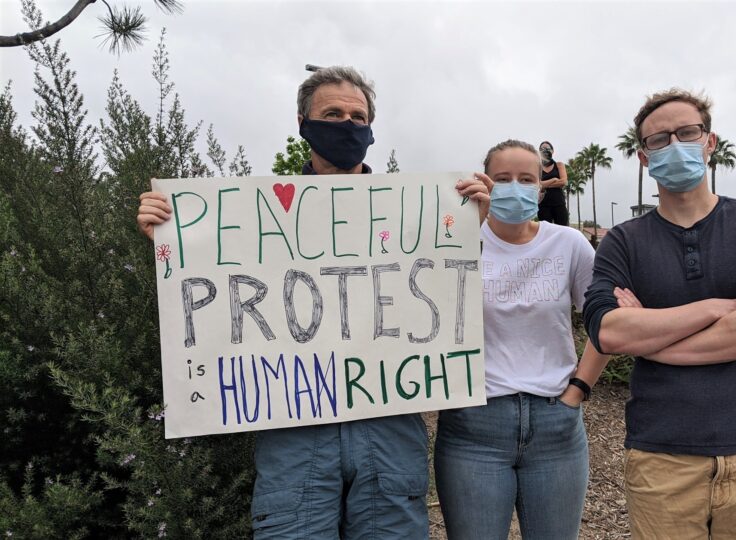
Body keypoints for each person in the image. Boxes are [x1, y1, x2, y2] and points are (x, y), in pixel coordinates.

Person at [135, 65, 491, 539]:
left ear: (370, 129)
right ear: (303, 123)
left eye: (357, 116)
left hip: (387, 429)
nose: (347, 124)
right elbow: (209, 291)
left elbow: (444, 296)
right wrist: (169, 232)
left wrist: (470, 226)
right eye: (332, 113)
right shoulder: (252, 214)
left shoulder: (419, 214)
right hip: (295, 436)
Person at [582, 89, 736, 539]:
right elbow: (606, 330)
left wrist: (653, 336)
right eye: (659, 139)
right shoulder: (623, 241)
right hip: (660, 460)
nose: (674, 145)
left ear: (710, 141)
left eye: (687, 132)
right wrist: (712, 307)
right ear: (644, 158)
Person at [434, 140, 609, 540]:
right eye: (502, 179)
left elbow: (606, 324)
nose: (515, 186)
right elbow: (432, 311)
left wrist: (579, 389)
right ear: (484, 183)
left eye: (526, 179)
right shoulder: (456, 241)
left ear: (542, 186)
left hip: (556, 424)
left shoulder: (569, 244)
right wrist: (468, 229)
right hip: (473, 425)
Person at [536, 141, 569, 225]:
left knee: (563, 229)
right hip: (543, 204)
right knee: (545, 230)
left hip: (559, 203)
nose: (545, 150)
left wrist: (544, 185)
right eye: (542, 149)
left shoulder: (559, 165)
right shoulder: (537, 167)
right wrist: (553, 179)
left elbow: (563, 182)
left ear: (552, 151)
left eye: (547, 148)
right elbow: (537, 184)